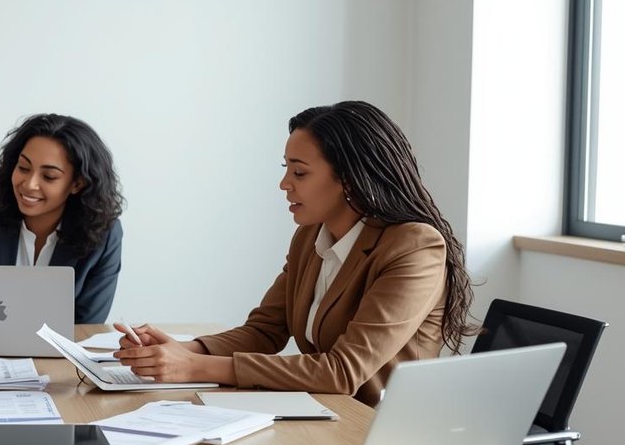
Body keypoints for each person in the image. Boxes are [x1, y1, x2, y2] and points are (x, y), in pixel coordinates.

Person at [116, 100, 476, 406]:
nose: (284, 183)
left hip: (378, 433)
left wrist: (194, 368)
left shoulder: (414, 247)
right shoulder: (309, 238)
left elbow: (342, 371)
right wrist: (183, 350)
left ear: (349, 179)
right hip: (321, 414)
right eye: (286, 168)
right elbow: (264, 331)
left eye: (300, 172)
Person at [0, 113, 124, 323]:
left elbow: (87, 325)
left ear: (77, 184)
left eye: (49, 176)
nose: (29, 184)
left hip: (56, 356)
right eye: (23, 168)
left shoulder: (104, 235)